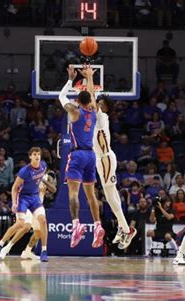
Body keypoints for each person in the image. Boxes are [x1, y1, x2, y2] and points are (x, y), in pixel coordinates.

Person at [58, 65, 104, 248]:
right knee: (91, 195)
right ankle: (97, 225)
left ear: (77, 100)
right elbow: (92, 95)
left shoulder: (74, 111)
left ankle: (76, 224)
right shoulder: (93, 112)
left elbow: (61, 97)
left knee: (73, 193)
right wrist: (90, 77)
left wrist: (70, 79)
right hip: (91, 156)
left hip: (77, 155)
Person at [91, 95, 137, 249]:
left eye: (100, 103)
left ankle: (126, 229)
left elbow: (91, 100)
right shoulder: (94, 119)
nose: (97, 104)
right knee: (112, 195)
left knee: (110, 197)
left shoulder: (102, 116)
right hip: (101, 160)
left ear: (105, 108)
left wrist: (89, 80)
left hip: (105, 159)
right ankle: (123, 227)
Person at [0, 147, 50, 262]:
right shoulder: (25, 171)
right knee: (20, 225)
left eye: (38, 154)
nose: (37, 156)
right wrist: (14, 203)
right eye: (34, 154)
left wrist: (44, 187)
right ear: (30, 157)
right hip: (23, 197)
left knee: (43, 221)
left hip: (34, 197)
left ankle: (44, 251)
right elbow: (14, 188)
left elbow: (42, 183)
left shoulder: (43, 165)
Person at [0, 170, 57, 261]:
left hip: (37, 206)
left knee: (38, 232)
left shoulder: (47, 177)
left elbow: (53, 189)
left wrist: (43, 181)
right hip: (26, 204)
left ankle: (27, 252)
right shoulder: (29, 175)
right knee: (26, 226)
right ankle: (7, 247)